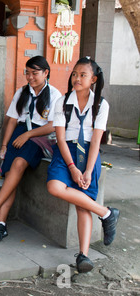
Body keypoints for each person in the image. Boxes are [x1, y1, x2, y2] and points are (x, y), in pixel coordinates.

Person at [47, 57, 120, 273]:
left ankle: (84, 255)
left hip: (89, 153)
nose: (76, 78)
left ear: (93, 79)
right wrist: (72, 167)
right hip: (66, 152)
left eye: (83, 75)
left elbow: (96, 139)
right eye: (74, 74)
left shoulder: (101, 105)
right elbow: (60, 138)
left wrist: (88, 170)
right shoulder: (62, 101)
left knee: (82, 203)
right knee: (54, 187)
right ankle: (106, 213)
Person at [0, 56, 62, 242]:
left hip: (39, 138)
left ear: (46, 73)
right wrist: (4, 144)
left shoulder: (54, 94)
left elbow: (52, 126)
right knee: (11, 174)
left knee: (18, 164)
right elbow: (12, 119)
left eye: (35, 73)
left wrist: (28, 135)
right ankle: (0, 224)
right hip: (19, 133)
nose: (30, 77)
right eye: (27, 73)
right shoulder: (22, 92)